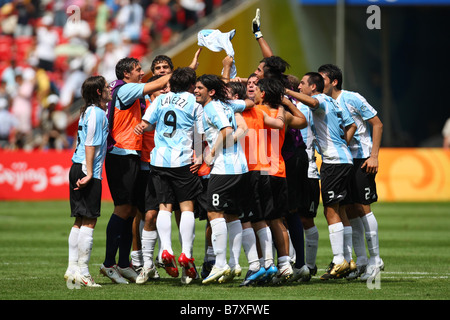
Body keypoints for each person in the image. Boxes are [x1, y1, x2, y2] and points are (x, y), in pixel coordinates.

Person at [100, 57, 170, 284]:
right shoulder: (126, 88)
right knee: (122, 209)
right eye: (138, 70)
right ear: (126, 74)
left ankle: (123, 264)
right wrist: (185, 71)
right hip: (121, 153)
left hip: (128, 154)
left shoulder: (121, 89)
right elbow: (157, 84)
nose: (142, 73)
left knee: (130, 210)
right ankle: (108, 264)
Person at [285, 72, 357, 280]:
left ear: (313, 88)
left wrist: (286, 92)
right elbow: (349, 124)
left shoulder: (322, 100)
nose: (299, 87)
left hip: (334, 161)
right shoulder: (332, 102)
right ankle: (348, 260)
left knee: (330, 211)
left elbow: (314, 102)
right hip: (340, 158)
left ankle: (338, 260)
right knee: (341, 211)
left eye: (303, 84)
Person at [134, 67, 203, 281]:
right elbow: (199, 133)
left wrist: (141, 127)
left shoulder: (160, 100)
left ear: (171, 84)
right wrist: (199, 156)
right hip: (182, 160)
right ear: (191, 85)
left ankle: (166, 249)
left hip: (158, 160)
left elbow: (146, 124)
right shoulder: (194, 103)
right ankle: (187, 254)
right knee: (186, 206)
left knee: (164, 205)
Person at [318, 64, 384, 280]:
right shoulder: (324, 102)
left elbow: (377, 124)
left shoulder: (352, 98)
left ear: (334, 81)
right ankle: (362, 261)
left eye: (322, 79)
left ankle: (376, 260)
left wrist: (373, 155)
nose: (319, 83)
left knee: (362, 207)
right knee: (350, 210)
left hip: (362, 158)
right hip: (343, 161)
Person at [194, 74, 253, 284]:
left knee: (214, 212)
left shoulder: (211, 108)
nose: (195, 91)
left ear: (210, 92)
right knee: (232, 215)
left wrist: (211, 155)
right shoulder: (227, 104)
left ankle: (220, 264)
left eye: (199, 88)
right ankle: (235, 263)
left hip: (224, 169)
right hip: (240, 167)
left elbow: (226, 130)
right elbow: (247, 104)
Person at [253, 78, 307, 284]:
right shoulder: (282, 114)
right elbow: (303, 120)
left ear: (263, 94)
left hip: (259, 170)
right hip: (279, 170)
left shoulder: (255, 112)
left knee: (259, 220)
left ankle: (264, 265)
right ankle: (285, 265)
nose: (254, 93)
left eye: (257, 90)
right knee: (277, 219)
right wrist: (287, 103)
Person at [64, 75, 111, 287]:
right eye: (107, 86)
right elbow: (90, 144)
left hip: (77, 165)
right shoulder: (97, 113)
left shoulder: (86, 112)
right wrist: (90, 173)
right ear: (99, 92)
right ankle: (83, 272)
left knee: (80, 220)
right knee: (90, 220)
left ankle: (72, 268)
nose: (111, 88)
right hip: (87, 168)